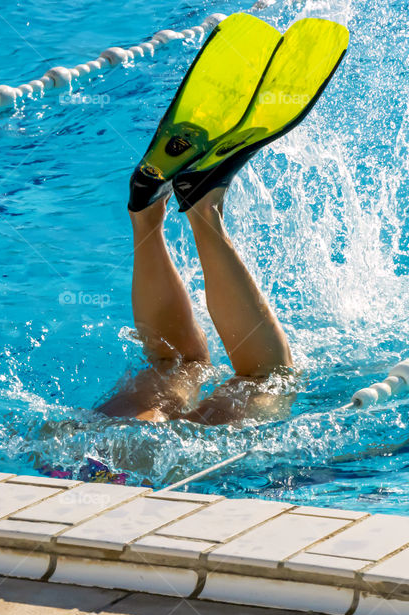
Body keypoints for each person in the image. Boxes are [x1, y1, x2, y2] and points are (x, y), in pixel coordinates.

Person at [97, 14, 348, 426]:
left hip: (134, 454)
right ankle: (149, 213)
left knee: (249, 375)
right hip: (81, 439)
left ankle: (203, 207)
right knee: (181, 365)